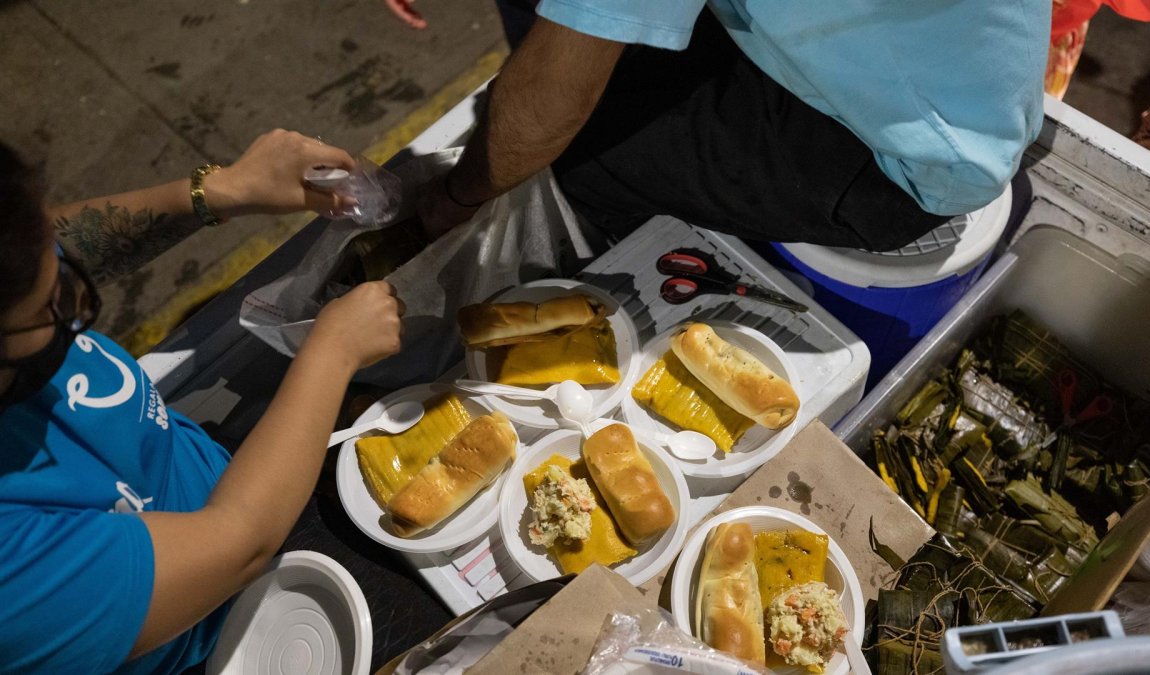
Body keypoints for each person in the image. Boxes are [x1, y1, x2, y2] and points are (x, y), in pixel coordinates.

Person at [0, 130, 406, 674]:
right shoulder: (13, 573)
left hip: (239, 480)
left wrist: (221, 190)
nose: (69, 300)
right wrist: (332, 351)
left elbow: (45, 244)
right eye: (50, 310)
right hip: (220, 640)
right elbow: (238, 541)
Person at [419, 1, 1049, 251]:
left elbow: (546, 110)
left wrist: (455, 198)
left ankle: (611, 276)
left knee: (576, 155)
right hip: (933, 62)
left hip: (903, 157)